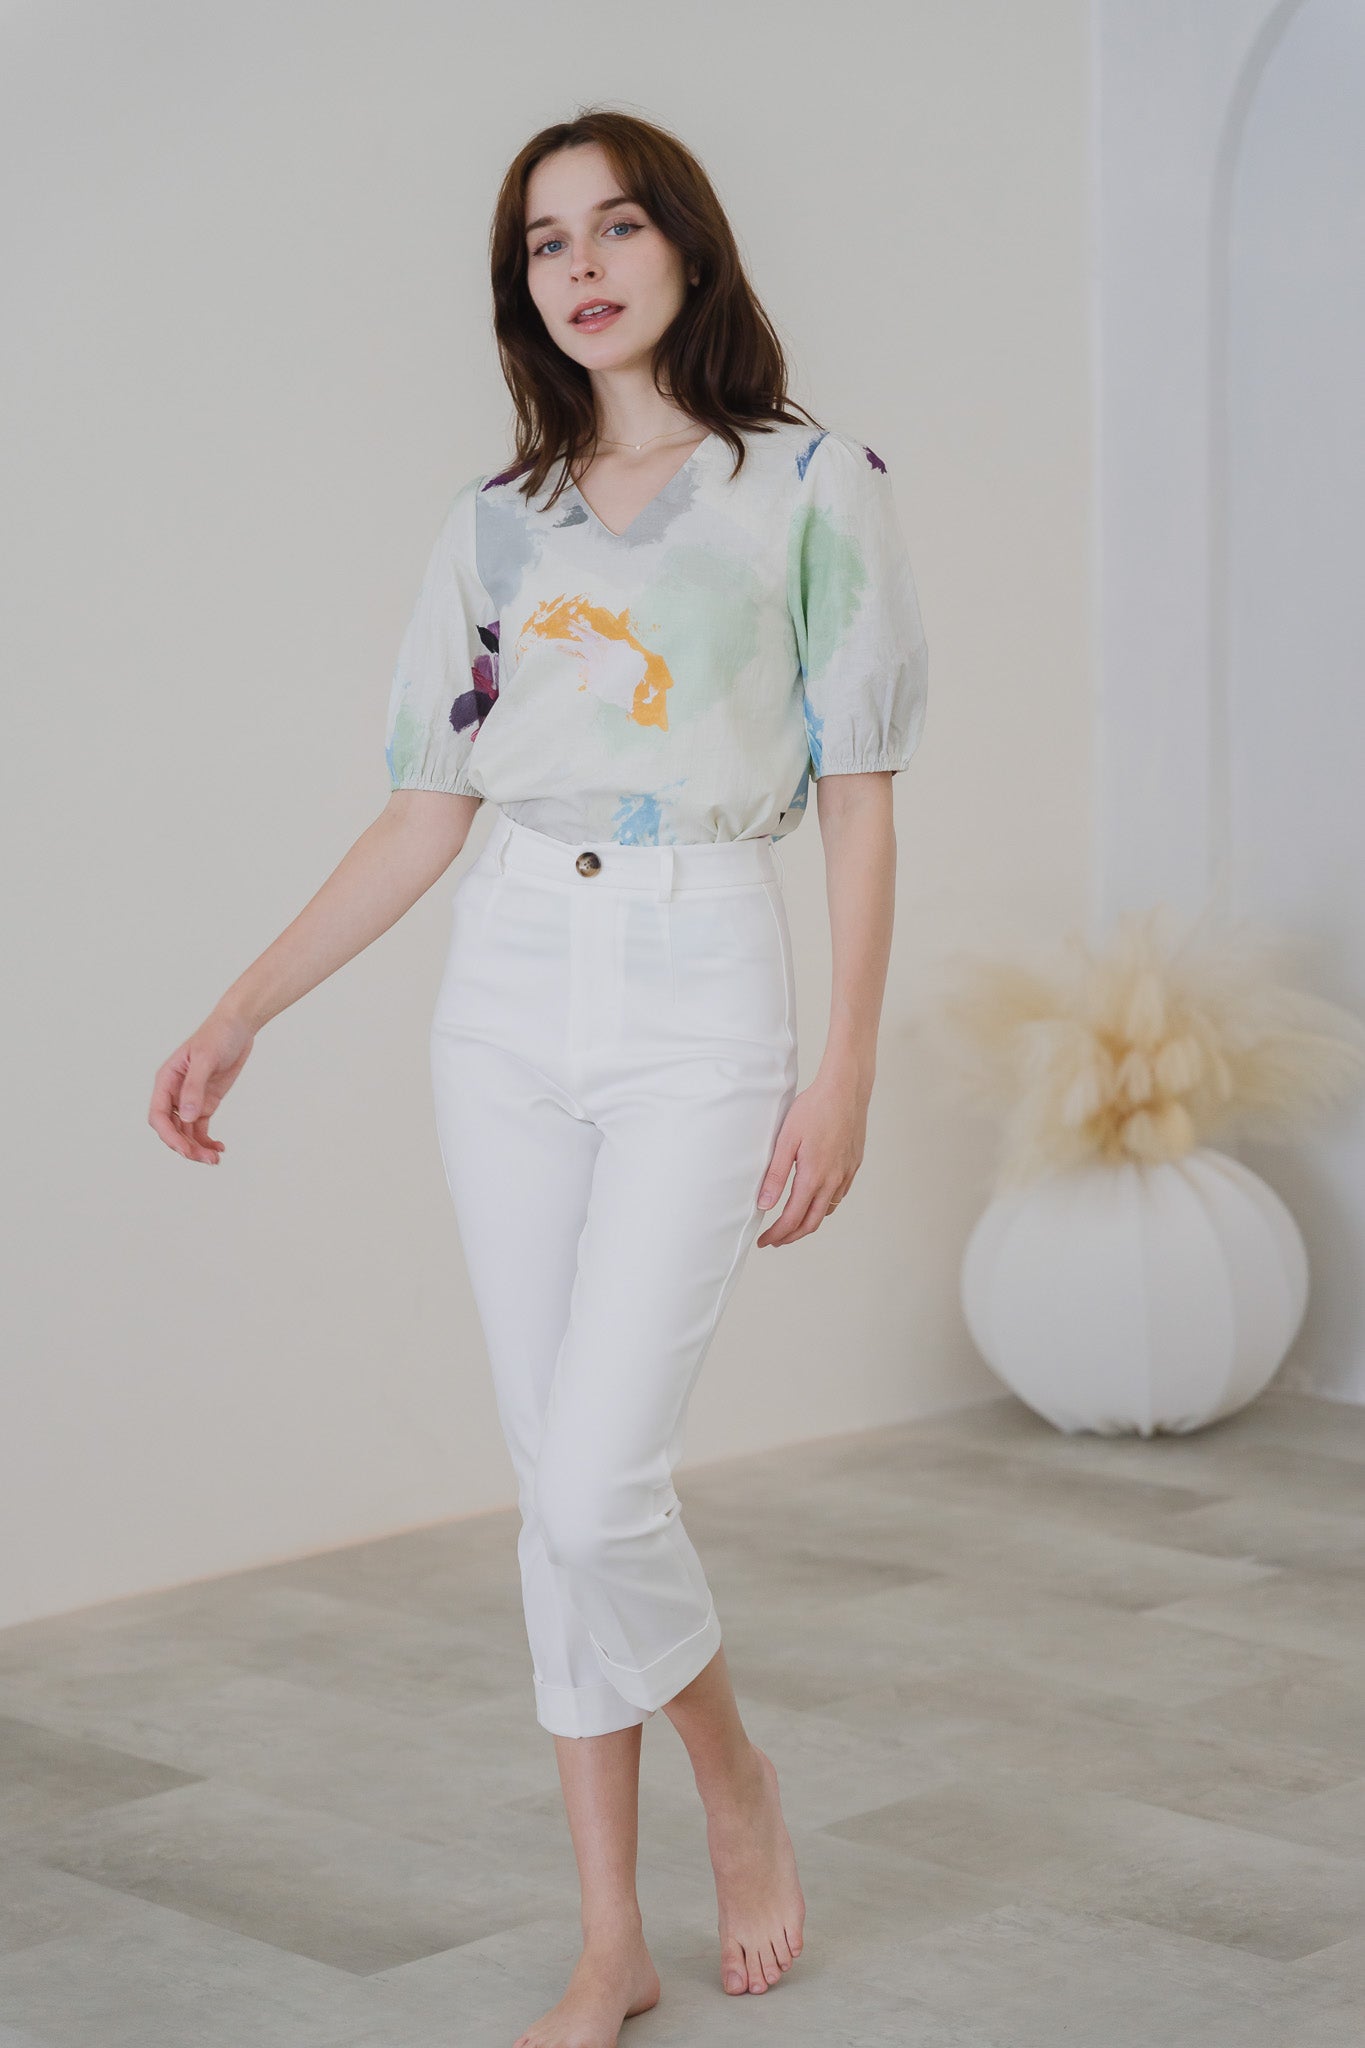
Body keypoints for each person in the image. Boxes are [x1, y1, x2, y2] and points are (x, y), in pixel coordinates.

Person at [149, 108, 927, 2048]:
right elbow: (425, 810)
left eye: (616, 226)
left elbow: (856, 799)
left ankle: (731, 1776)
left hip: (698, 974)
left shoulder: (809, 485)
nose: (579, 267)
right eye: (542, 243)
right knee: (547, 1494)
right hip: (503, 986)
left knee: (596, 1490)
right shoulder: (493, 524)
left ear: (689, 250)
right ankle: (608, 1941)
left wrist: (844, 1061)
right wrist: (244, 1007)